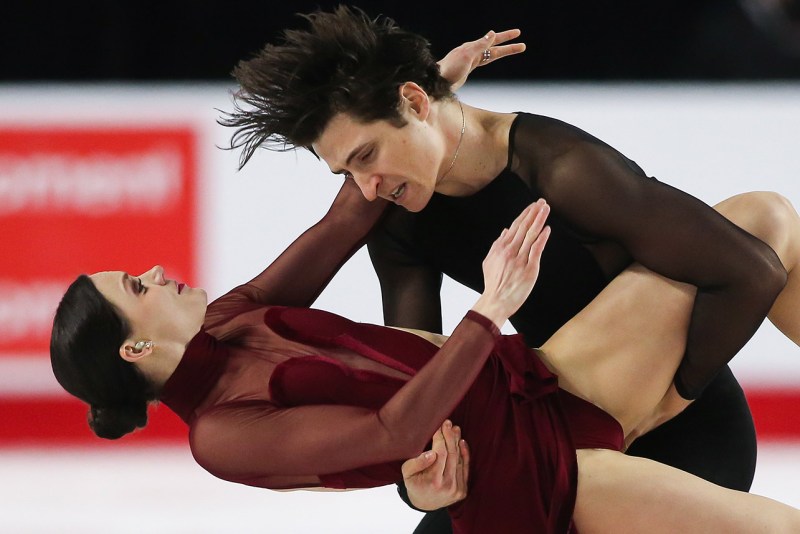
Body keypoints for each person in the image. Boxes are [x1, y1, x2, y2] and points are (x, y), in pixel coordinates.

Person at [221, 6, 786, 530]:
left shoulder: (558, 167)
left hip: (683, 439)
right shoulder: (398, 217)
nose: (366, 189)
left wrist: (671, 403)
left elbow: (750, 273)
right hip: (541, 433)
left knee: (771, 215)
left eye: (367, 155)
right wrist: (418, 487)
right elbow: (415, 379)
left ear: (416, 104)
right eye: (345, 173)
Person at [50, 184, 800, 533]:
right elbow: (392, 435)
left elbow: (350, 215)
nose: (154, 271)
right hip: (530, 472)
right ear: (137, 347)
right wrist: (488, 308)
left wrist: (422, 93)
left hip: (542, 381)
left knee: (758, 220)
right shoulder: (220, 434)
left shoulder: (231, 319)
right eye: (136, 287)